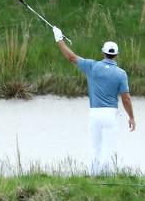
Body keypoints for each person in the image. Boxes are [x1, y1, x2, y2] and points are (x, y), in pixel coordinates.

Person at [53, 26, 135, 176]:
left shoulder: (93, 66)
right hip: (111, 114)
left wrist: (59, 39)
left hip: (94, 114)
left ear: (103, 52)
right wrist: (131, 117)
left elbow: (71, 57)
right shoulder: (121, 74)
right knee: (108, 149)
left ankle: (93, 176)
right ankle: (105, 177)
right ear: (116, 55)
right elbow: (125, 98)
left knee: (95, 148)